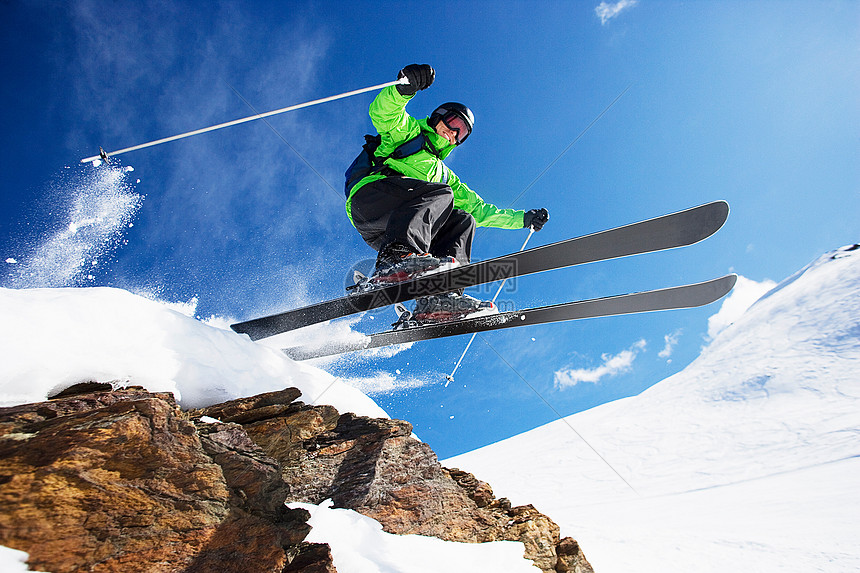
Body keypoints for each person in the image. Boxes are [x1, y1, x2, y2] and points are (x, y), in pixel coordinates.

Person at [345, 64, 549, 321]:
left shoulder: (443, 176)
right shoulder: (409, 135)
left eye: (461, 133)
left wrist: (522, 219)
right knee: (442, 194)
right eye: (453, 122)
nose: (453, 132)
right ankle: (395, 260)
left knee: (464, 218)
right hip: (371, 201)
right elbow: (385, 115)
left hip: (391, 229)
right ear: (438, 116)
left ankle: (439, 298)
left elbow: (480, 210)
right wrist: (403, 90)